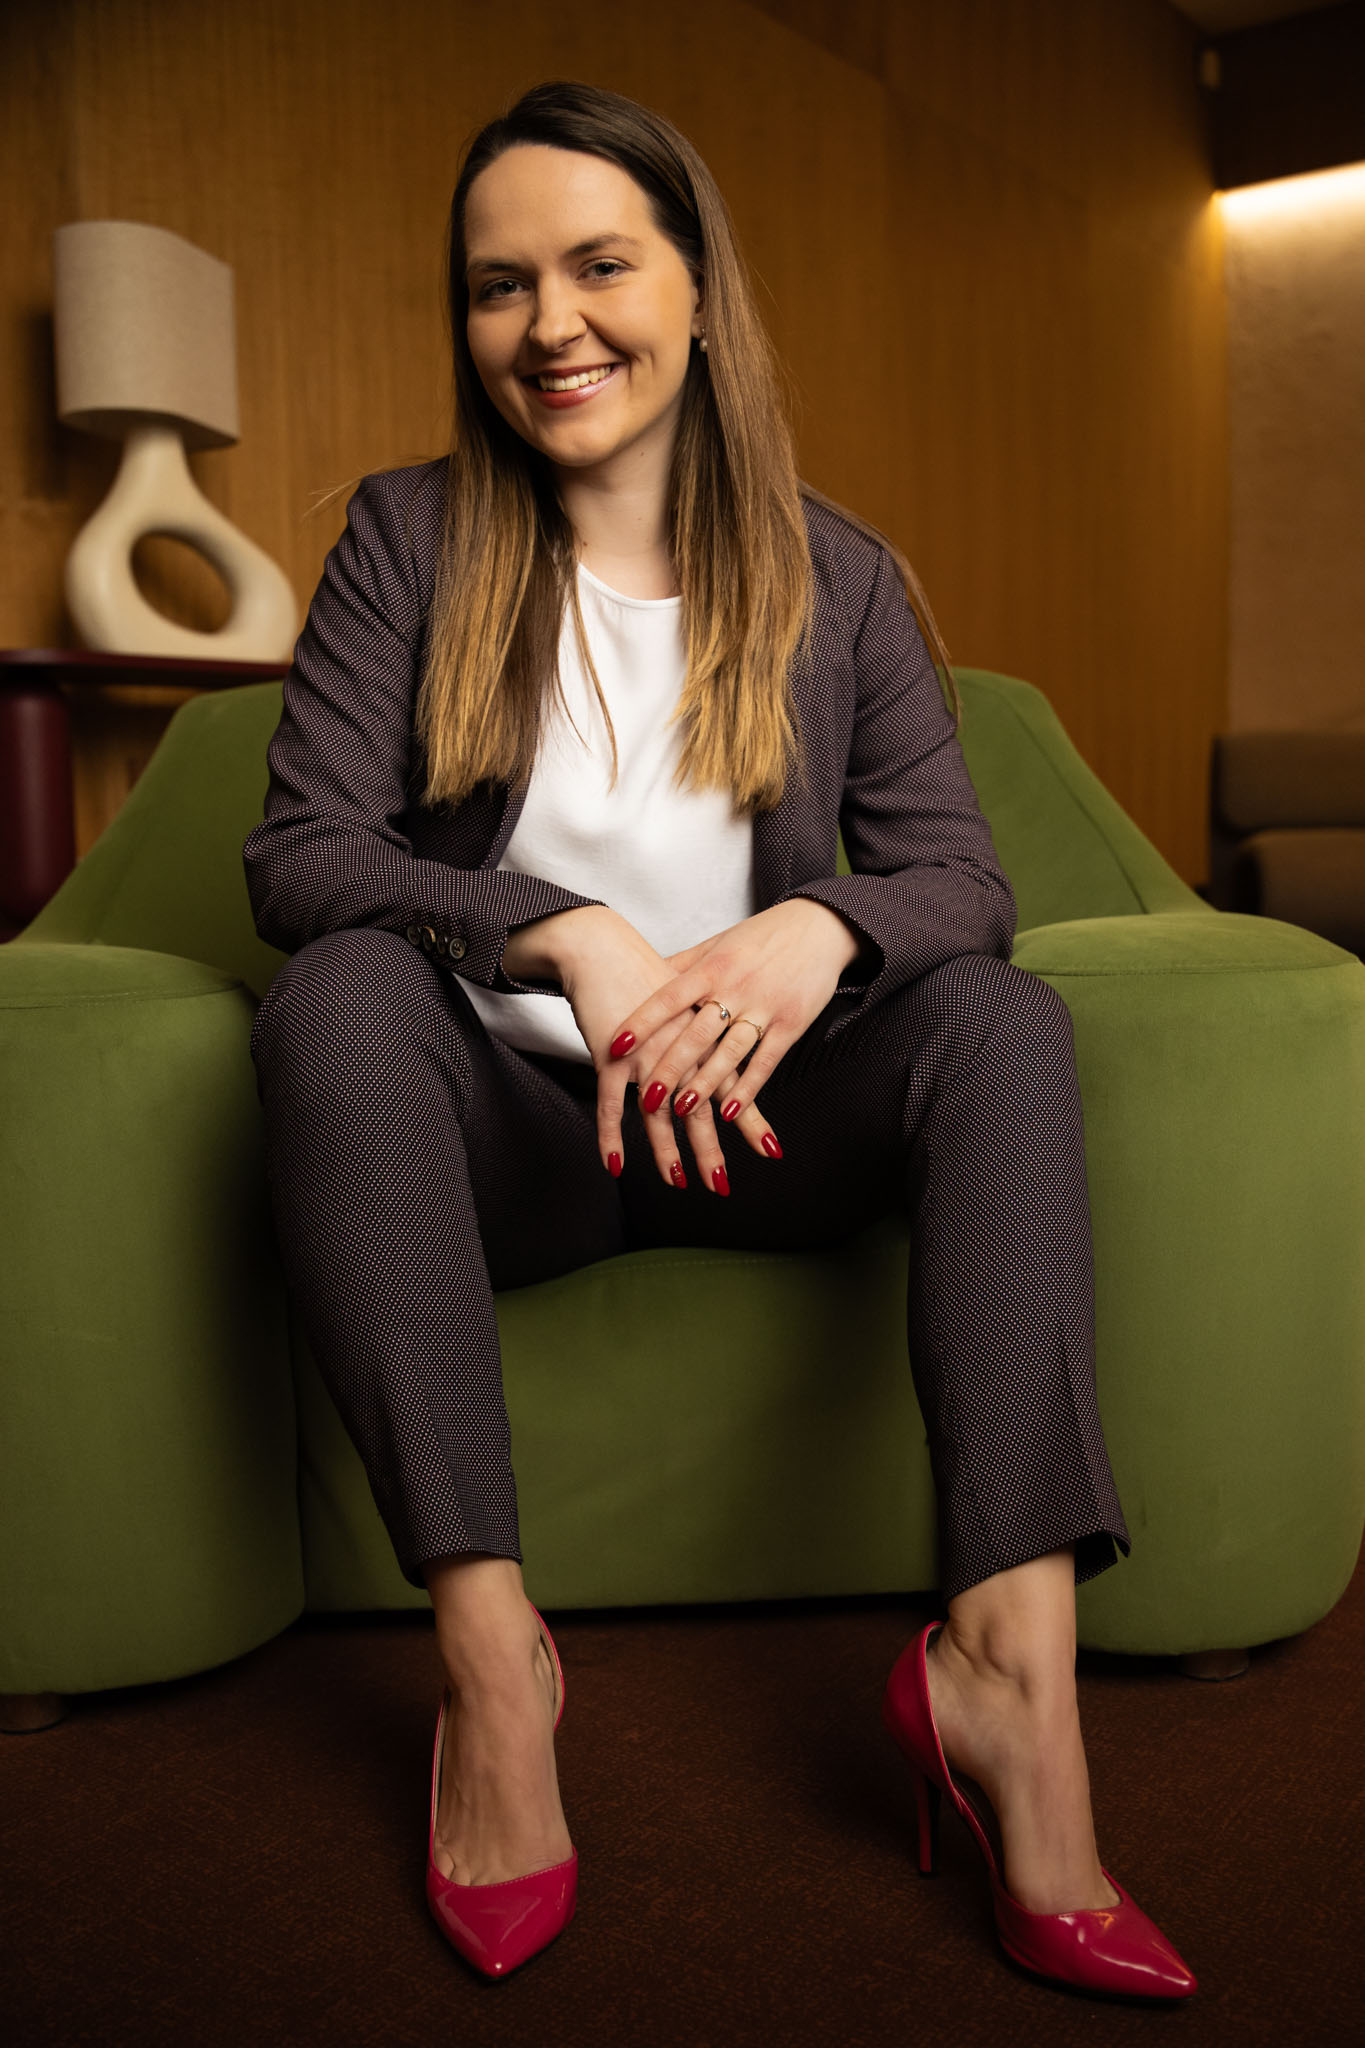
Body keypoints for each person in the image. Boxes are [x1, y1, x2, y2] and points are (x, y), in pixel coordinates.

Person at [242, 79, 1196, 1996]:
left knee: (996, 1019)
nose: (551, 325)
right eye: (499, 285)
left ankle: (1008, 1678)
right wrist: (561, 928)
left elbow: (962, 881)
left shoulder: (839, 575)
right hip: (513, 1139)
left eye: (599, 266)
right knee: (332, 999)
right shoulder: (408, 540)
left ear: (695, 286)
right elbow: (299, 856)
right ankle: (492, 1668)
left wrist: (816, 926)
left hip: (766, 1136)